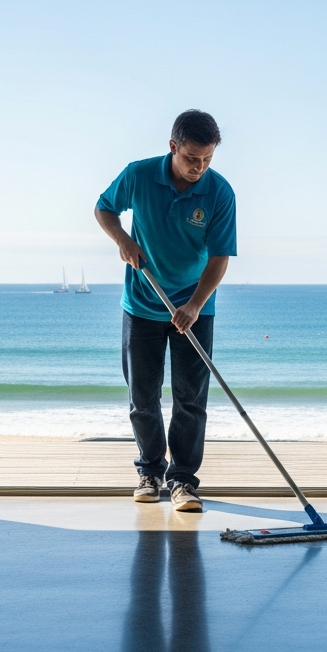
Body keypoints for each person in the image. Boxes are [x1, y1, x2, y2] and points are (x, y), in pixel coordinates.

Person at [94, 110, 236, 512]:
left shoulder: (220, 192)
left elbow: (220, 258)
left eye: (207, 160)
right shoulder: (139, 175)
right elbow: (104, 208)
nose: (199, 168)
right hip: (142, 303)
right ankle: (151, 470)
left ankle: (183, 481)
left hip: (195, 306)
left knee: (191, 399)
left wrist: (194, 304)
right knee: (143, 396)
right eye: (192, 158)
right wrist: (122, 238)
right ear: (173, 147)